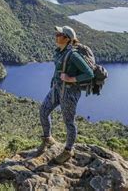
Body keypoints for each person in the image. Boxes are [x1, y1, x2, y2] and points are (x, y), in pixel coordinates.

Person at [36, 25, 94, 165]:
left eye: (59, 34)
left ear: (67, 38)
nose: (56, 35)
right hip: (57, 89)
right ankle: (47, 138)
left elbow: (89, 74)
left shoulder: (73, 55)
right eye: (56, 33)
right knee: (43, 111)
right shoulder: (59, 52)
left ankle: (68, 150)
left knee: (69, 122)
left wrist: (70, 79)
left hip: (69, 92)